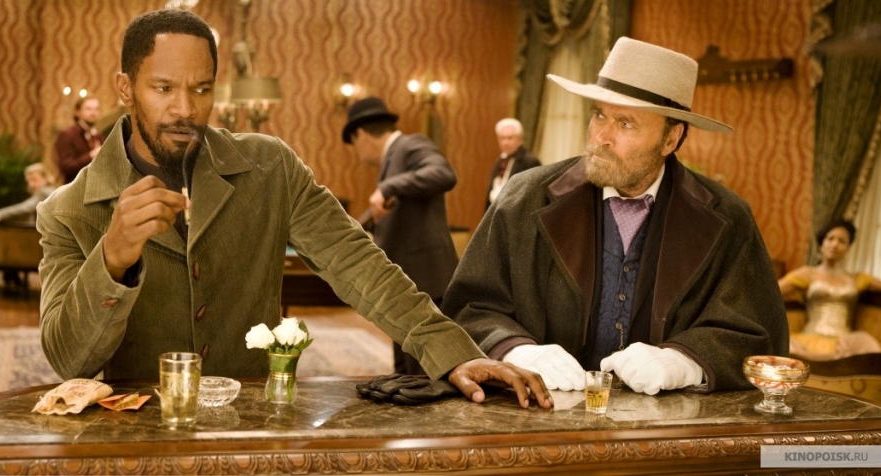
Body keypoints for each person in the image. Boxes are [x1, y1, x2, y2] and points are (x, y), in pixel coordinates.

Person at [36, 9, 551, 409]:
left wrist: (453, 350)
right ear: (125, 88)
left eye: (201, 89)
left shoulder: (270, 167)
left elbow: (358, 262)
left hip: (256, 429)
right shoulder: (67, 211)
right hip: (139, 441)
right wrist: (111, 260)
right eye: (164, 88)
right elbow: (67, 359)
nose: (185, 109)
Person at [440, 37, 788, 395]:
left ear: (671, 139)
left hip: (669, 423)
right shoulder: (523, 199)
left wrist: (687, 360)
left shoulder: (727, 218)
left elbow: (758, 333)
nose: (601, 137)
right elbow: (469, 307)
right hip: (540, 412)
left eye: (626, 124)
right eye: (599, 115)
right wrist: (515, 349)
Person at [342, 96, 461, 376]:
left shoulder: (410, 144)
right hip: (406, 286)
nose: (358, 153)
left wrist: (388, 187)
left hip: (425, 282)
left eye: (354, 143)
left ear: (362, 134)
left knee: (424, 374)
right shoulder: (392, 157)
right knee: (405, 372)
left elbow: (443, 173)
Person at [779, 220, 881, 360]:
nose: (835, 244)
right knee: (785, 344)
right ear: (822, 244)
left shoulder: (857, 278)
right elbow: (773, 291)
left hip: (844, 344)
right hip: (808, 341)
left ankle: (838, 360)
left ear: (848, 248)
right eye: (830, 238)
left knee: (867, 343)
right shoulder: (808, 273)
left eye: (841, 241)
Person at [0, 163, 55, 229]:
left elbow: (23, 208)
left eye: (34, 180)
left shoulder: (44, 193)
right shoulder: (50, 191)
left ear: (46, 178)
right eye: (28, 181)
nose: (31, 185)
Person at [487, 118, 540, 208]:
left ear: (519, 139)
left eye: (510, 138)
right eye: (502, 138)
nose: (506, 142)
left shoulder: (529, 161)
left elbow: (532, 195)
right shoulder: (500, 160)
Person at [55, 97, 104, 184]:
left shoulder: (98, 135)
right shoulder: (67, 135)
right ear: (78, 112)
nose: (93, 113)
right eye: (88, 109)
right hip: (75, 187)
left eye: (97, 109)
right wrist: (91, 155)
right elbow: (66, 167)